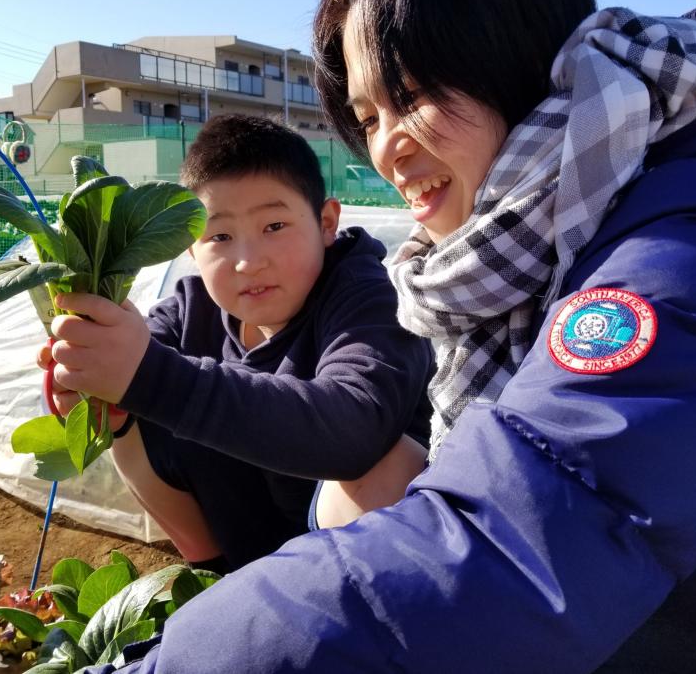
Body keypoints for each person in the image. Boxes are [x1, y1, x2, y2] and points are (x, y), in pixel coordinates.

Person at [88, 0, 696, 672]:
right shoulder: (525, 235)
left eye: (415, 95)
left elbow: (507, 553)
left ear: (521, 61)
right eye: (370, 118)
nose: (388, 146)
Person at [43, 113, 433, 573]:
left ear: (326, 223)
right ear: (192, 248)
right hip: (259, 547)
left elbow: (354, 429)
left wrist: (148, 375)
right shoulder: (190, 311)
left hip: (366, 556)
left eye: (274, 227)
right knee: (130, 419)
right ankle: (215, 575)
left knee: (388, 466)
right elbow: (125, 377)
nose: (248, 262)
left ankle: (358, 624)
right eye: (221, 236)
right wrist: (81, 375)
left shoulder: (369, 298)